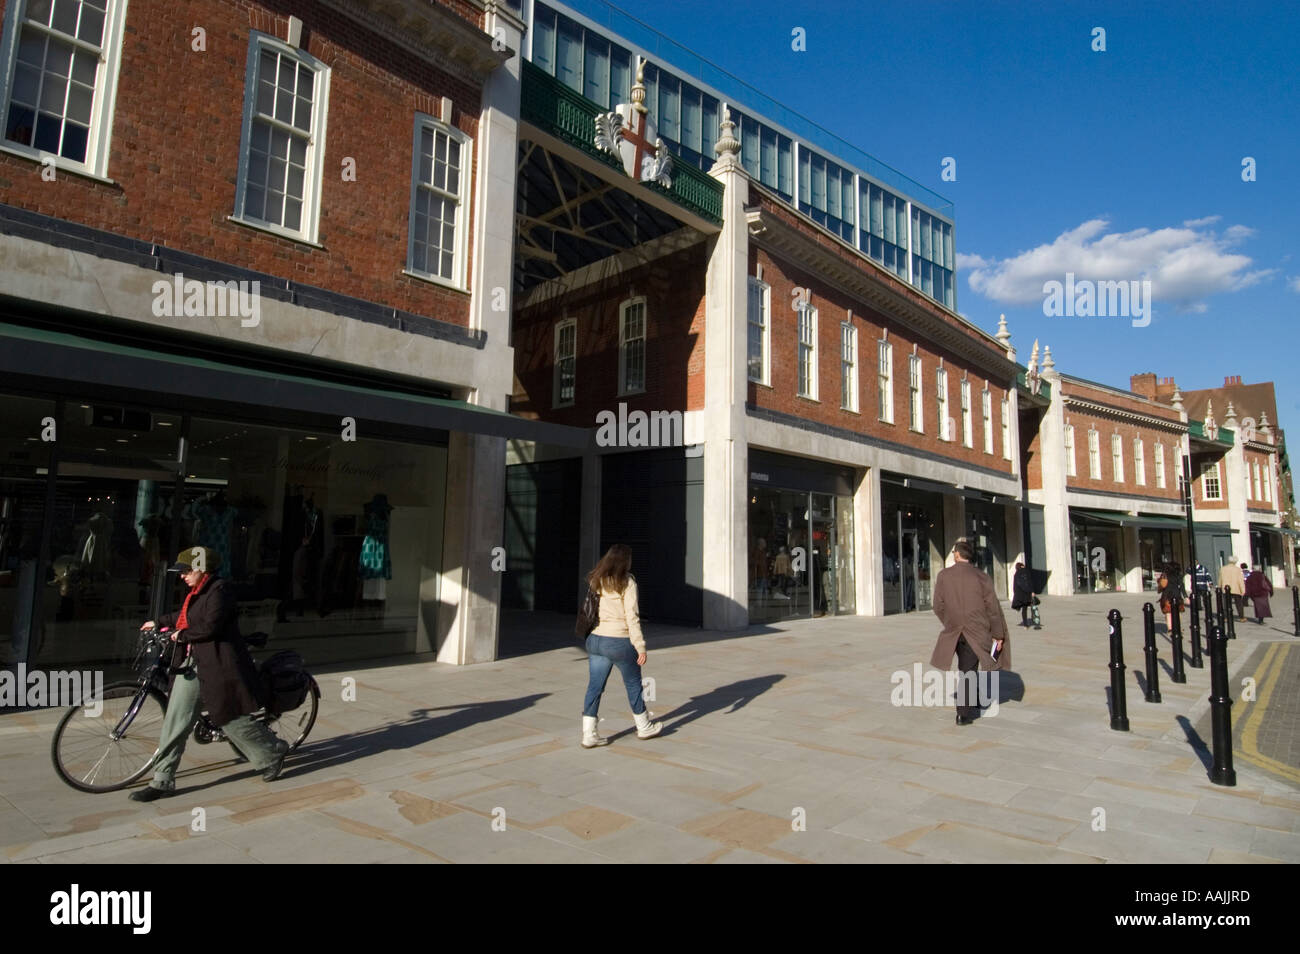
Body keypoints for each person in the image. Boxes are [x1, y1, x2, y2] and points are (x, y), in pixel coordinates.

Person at [130, 547, 288, 801]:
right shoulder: (196, 592)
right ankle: (162, 780)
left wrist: (181, 635)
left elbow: (210, 626)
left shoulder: (220, 590)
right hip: (191, 665)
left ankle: (271, 754)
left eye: (186, 571)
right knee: (176, 719)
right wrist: (158, 621)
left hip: (218, 666)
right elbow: (185, 617)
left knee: (230, 719)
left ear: (201, 569)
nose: (182, 576)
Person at [580, 544, 661, 748]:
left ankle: (589, 734)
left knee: (594, 687)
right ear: (625, 561)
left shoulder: (596, 579)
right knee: (633, 684)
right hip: (618, 640)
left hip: (595, 639)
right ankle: (643, 726)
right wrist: (640, 646)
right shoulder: (627, 582)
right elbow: (631, 617)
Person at [930, 539, 1010, 726]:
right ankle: (963, 713)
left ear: (957, 555)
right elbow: (992, 609)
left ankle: (970, 701)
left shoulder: (944, 575)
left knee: (966, 666)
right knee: (968, 669)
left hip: (953, 631)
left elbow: (937, 605)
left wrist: (950, 622)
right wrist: (997, 634)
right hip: (976, 630)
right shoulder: (982, 577)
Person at [1010, 562, 1037, 628]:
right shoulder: (1026, 572)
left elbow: (1015, 585)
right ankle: (1035, 620)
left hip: (1020, 594)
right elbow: (1029, 582)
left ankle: (1025, 624)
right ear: (1022, 566)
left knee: (1024, 609)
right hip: (1026, 593)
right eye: (1023, 565)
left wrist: (1015, 594)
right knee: (1032, 607)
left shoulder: (1016, 574)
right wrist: (1032, 591)